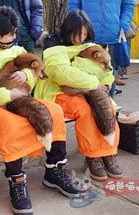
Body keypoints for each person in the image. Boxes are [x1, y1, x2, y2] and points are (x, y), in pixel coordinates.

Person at [0, 6, 82, 214]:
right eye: (11, 34)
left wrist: (26, 76)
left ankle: (55, 169)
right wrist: (7, 95)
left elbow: (32, 67)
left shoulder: (12, 46)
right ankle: (17, 180)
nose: (15, 37)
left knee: (54, 111)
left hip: (18, 98)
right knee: (11, 124)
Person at [35, 11, 122, 181]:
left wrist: (107, 81)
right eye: (78, 33)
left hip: (90, 88)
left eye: (85, 34)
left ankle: (109, 153)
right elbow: (61, 73)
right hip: (57, 91)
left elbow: (106, 66)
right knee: (84, 109)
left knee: (108, 106)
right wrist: (94, 82)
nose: (81, 38)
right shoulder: (53, 44)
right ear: (68, 30)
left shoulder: (89, 45)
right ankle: (93, 156)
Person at [68, 0, 135, 97]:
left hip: (112, 40)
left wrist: (122, 25)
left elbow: (129, 4)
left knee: (109, 79)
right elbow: (73, 6)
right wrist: (81, 28)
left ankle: (109, 113)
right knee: (87, 80)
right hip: (88, 41)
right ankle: (91, 116)